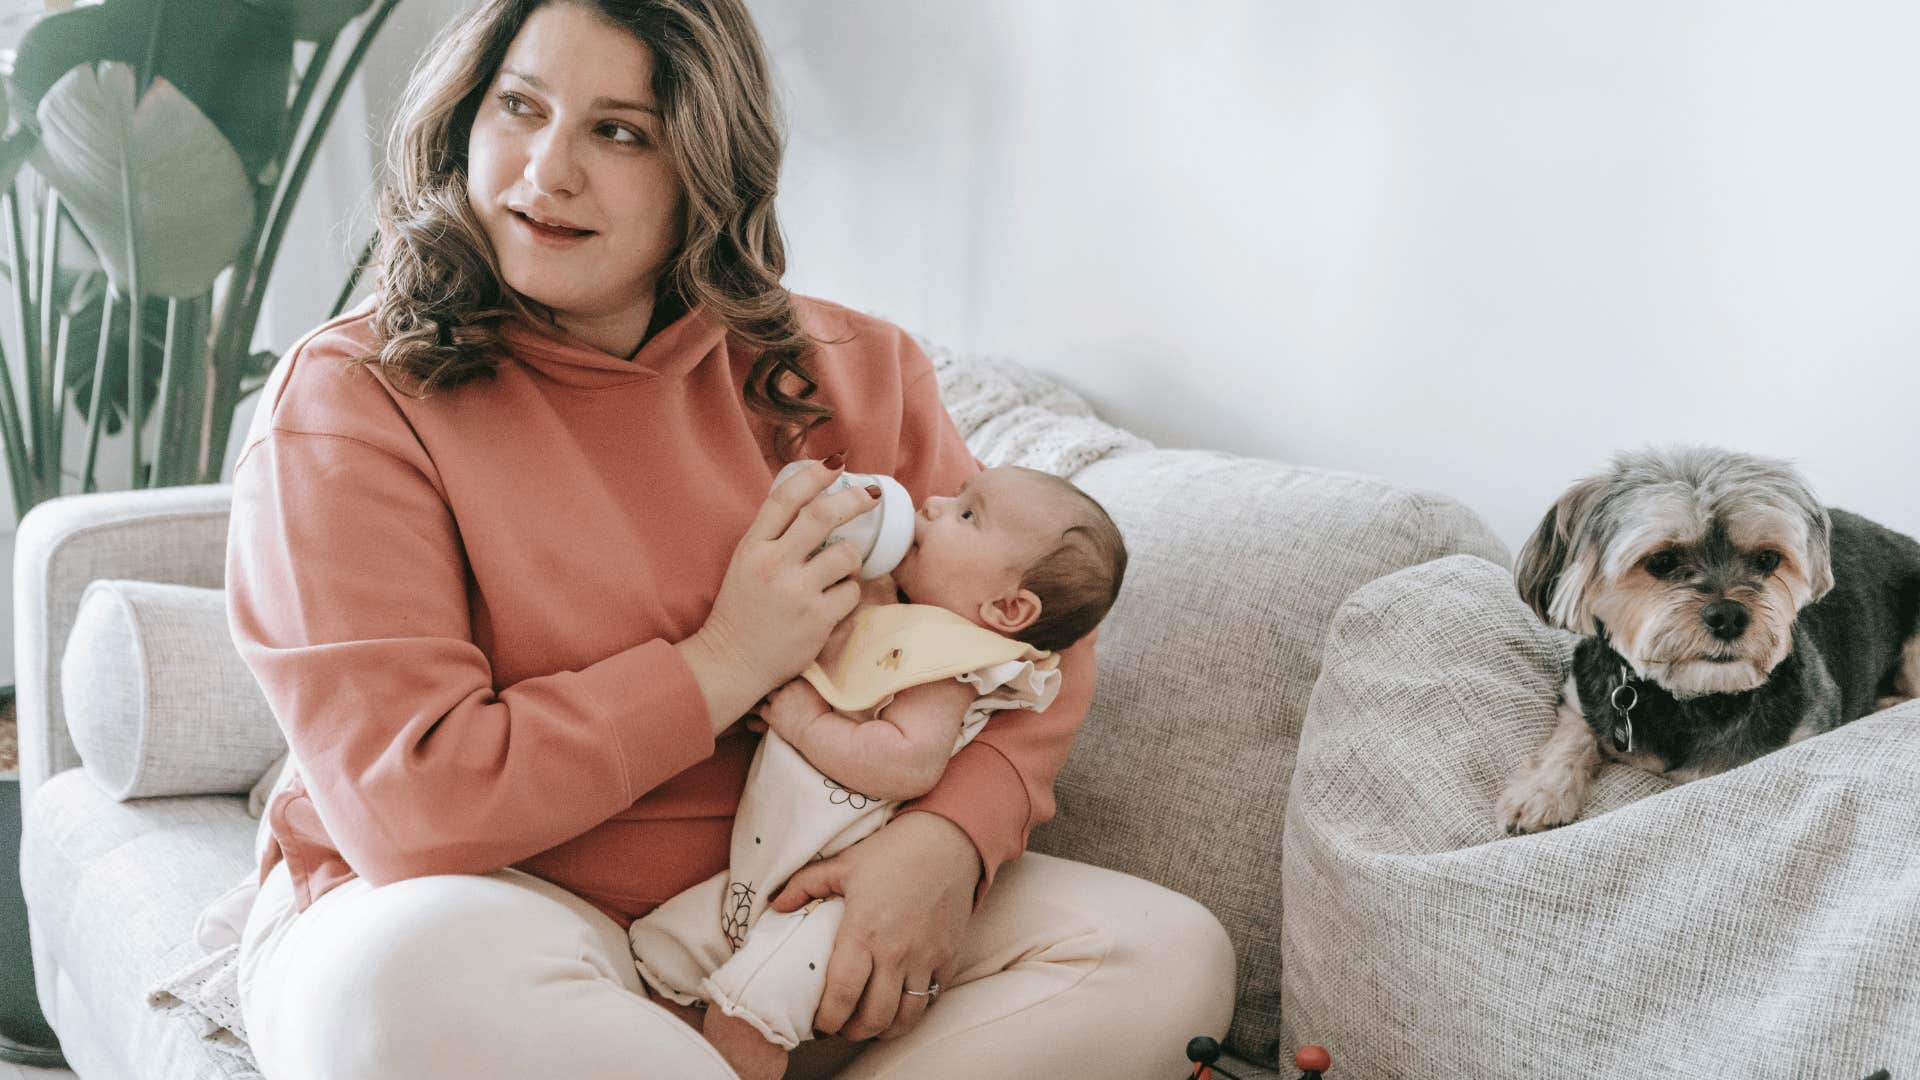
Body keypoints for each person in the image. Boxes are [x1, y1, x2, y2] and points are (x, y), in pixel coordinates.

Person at [226, 1, 1235, 1077]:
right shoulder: (353, 398)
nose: (546, 170)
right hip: (489, 906)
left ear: (707, 169)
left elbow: (1026, 633)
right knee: (398, 990)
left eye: (619, 131)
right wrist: (724, 663)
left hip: (789, 903)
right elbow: (409, 809)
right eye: (518, 107)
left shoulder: (857, 368)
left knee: (1163, 957)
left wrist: (945, 841)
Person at [633, 466, 1128, 1079]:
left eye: (967, 514)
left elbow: (906, 763)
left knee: (750, 1013)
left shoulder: (947, 663)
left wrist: (804, 721)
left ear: (1006, 608)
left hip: (835, 896)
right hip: (763, 870)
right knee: (661, 957)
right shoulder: (898, 605)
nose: (935, 502)